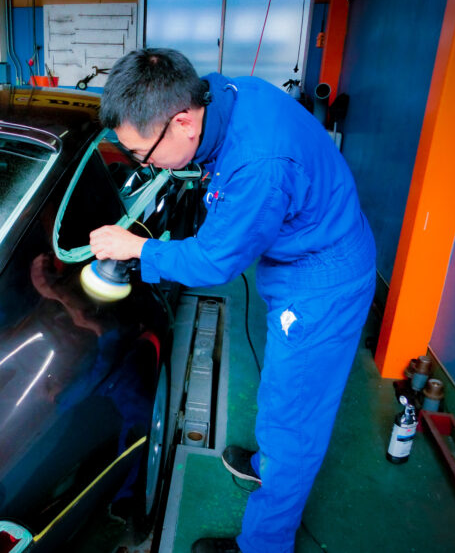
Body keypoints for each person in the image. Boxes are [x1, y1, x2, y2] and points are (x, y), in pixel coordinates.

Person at [89, 48, 376, 553]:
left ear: (183, 122)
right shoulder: (228, 95)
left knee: (294, 422)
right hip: (306, 250)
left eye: (143, 153)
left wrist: (137, 248)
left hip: (321, 284)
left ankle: (265, 543)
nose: (145, 164)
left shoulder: (258, 165)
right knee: (284, 395)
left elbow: (214, 261)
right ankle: (269, 463)